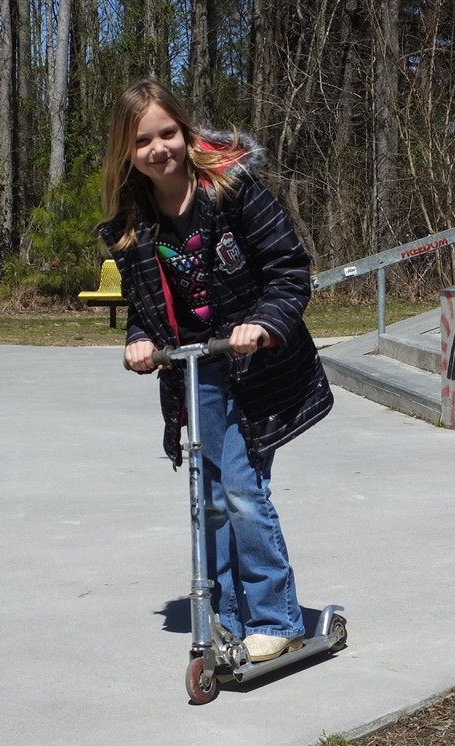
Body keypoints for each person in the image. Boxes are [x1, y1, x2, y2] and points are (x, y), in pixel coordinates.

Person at [98, 80, 334, 663]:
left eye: (167, 134)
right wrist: (139, 340)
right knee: (209, 498)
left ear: (185, 132)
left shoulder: (232, 189)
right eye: (143, 141)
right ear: (127, 150)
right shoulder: (132, 225)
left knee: (242, 491)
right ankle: (227, 617)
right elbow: (145, 308)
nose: (159, 149)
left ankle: (277, 618)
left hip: (256, 365)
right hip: (194, 371)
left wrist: (262, 324)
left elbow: (289, 271)